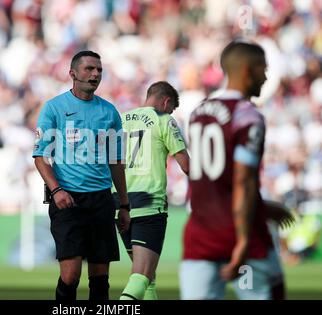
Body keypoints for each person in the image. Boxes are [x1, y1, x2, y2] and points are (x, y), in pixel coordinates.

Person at [180, 40, 291, 300]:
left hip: (200, 233)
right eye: (262, 69)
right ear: (246, 71)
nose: (266, 77)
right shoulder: (247, 115)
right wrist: (242, 240)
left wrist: (262, 206)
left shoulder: (199, 112)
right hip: (241, 233)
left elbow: (216, 180)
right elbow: (243, 181)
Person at [32, 50, 130, 301]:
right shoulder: (54, 108)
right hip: (68, 199)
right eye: (89, 69)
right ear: (72, 74)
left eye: (99, 70)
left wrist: (124, 204)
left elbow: (116, 161)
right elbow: (41, 156)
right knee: (71, 274)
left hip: (100, 199)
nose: (95, 74)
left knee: (100, 278)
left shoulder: (109, 112)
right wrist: (56, 190)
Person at [113, 81, 190, 300]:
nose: (171, 112)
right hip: (148, 203)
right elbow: (185, 165)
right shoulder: (164, 119)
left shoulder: (120, 120)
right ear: (166, 102)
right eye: (172, 108)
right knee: (142, 275)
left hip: (119, 204)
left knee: (149, 278)